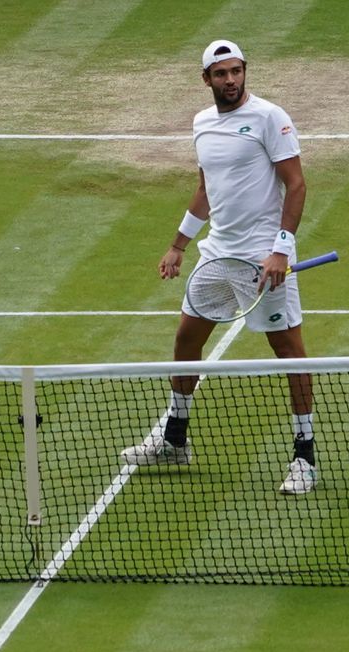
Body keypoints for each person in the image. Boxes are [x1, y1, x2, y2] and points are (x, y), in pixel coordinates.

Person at [120, 39, 317, 495]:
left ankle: (305, 455)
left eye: (237, 71)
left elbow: (297, 185)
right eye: (221, 74)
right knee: (187, 340)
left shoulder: (270, 118)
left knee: (288, 352)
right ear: (205, 79)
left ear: (245, 72)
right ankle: (175, 438)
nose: (231, 80)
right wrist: (178, 244)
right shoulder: (202, 123)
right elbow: (207, 188)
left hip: (261, 261)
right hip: (217, 255)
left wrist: (281, 250)